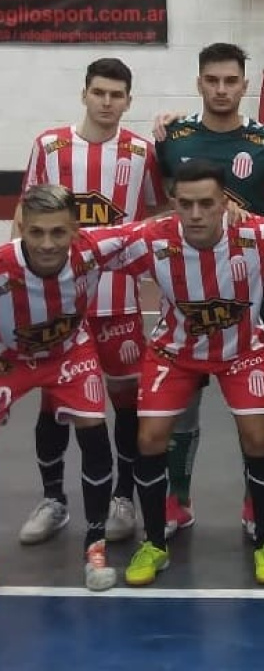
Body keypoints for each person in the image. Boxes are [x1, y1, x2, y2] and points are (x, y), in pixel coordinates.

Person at [90, 160, 264, 587]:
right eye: (186, 204)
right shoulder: (153, 239)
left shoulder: (254, 235)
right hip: (175, 352)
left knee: (258, 439)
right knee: (149, 439)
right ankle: (154, 543)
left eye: (207, 203)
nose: (196, 214)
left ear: (225, 202)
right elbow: (86, 245)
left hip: (241, 351)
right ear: (173, 203)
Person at [16, 58, 166, 547]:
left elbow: (157, 213)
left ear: (128, 101)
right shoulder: (50, 145)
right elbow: (25, 215)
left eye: (116, 94)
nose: (106, 102)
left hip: (117, 304)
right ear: (84, 94)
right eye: (99, 92)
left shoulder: (142, 152)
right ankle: (53, 499)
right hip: (57, 306)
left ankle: (122, 498)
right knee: (54, 401)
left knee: (125, 403)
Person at [155, 43, 264, 540]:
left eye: (231, 81)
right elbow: (160, 201)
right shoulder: (173, 138)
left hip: (248, 298)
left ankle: (255, 505)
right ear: (199, 83)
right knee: (182, 406)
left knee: (251, 415)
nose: (221, 89)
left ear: (245, 85)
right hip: (186, 293)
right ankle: (178, 500)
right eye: (212, 80)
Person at [0, 184, 125, 591]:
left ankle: (95, 546)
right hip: (10, 357)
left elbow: (161, 230)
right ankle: (54, 502)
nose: (47, 244)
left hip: (69, 351)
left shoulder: (93, 249)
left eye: (58, 232)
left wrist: (231, 214)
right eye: (36, 232)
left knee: (94, 431)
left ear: (75, 230)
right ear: (22, 229)